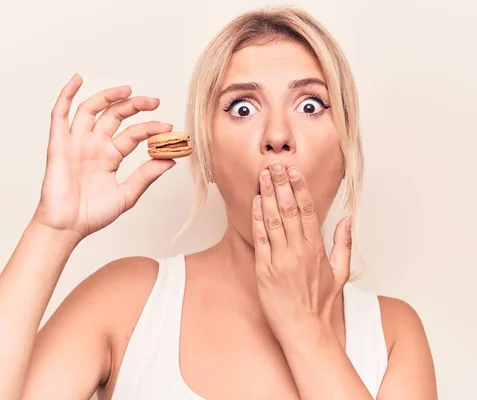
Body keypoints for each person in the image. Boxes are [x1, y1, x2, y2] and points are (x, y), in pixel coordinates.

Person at [0, 6, 437, 400]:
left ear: (344, 151)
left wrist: (304, 328)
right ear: (205, 154)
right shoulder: (127, 300)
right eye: (243, 108)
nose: (277, 135)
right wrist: (52, 230)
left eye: (310, 104)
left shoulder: (393, 334)